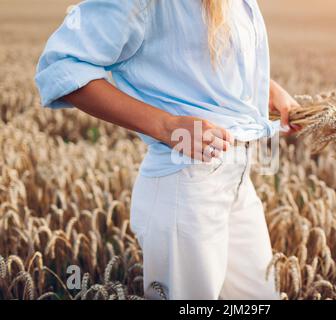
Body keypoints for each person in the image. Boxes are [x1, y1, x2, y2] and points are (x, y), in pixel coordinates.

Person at [35, 0, 300, 299]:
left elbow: (204, 58)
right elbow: (63, 65)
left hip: (238, 178)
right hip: (185, 182)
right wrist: (165, 125)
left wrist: (267, 91)